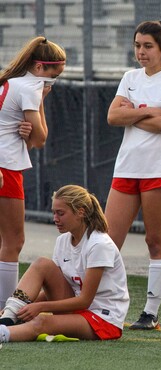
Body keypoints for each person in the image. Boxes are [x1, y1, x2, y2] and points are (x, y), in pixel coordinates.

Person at [105, 20, 161, 330]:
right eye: (137, 45)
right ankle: (106, 304)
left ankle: (149, 312)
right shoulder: (130, 77)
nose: (141, 51)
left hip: (159, 169)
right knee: (109, 241)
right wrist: (149, 110)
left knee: (156, 240)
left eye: (148, 46)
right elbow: (113, 116)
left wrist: (134, 112)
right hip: (127, 167)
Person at [0, 185, 129, 342]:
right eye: (54, 212)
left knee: (42, 321)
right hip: (77, 309)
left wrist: (40, 307)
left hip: (103, 319)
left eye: (61, 213)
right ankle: (8, 317)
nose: (55, 218)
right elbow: (51, 290)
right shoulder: (62, 241)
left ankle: (4, 331)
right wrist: (20, 309)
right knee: (42, 264)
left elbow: (85, 300)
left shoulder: (99, 244)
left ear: (80, 212)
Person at [0, 36, 66, 309]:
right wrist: (40, 102)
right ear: (39, 67)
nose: (54, 81)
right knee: (14, 242)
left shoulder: (9, 82)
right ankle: (4, 309)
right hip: (7, 166)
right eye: (54, 73)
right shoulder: (30, 87)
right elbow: (40, 138)